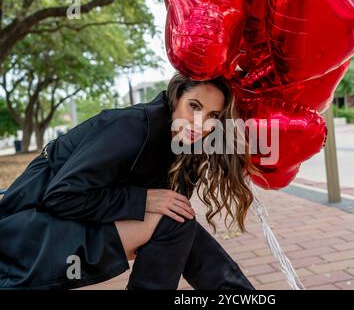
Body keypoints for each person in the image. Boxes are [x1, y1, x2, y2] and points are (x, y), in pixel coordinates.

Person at [0, 71, 259, 290]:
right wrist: (142, 199)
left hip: (68, 225)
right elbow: (60, 196)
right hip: (24, 235)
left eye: (213, 116)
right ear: (176, 97)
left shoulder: (182, 145)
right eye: (194, 106)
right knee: (173, 220)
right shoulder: (131, 126)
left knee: (177, 217)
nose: (201, 123)